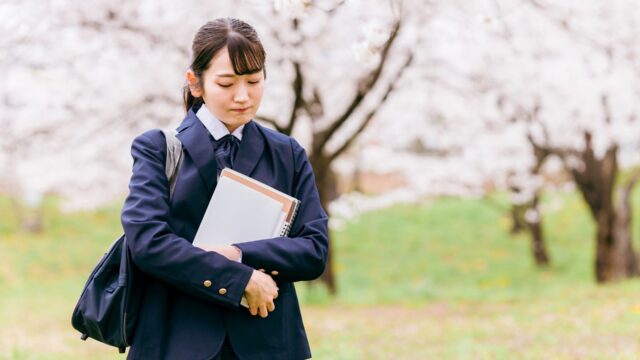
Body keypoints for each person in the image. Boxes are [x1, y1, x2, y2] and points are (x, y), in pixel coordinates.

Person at [121, 18, 329, 360]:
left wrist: (238, 254)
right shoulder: (158, 149)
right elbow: (147, 241)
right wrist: (240, 279)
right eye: (227, 83)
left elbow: (314, 249)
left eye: (253, 81)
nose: (243, 96)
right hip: (177, 341)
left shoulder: (286, 153)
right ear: (195, 82)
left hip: (269, 343)